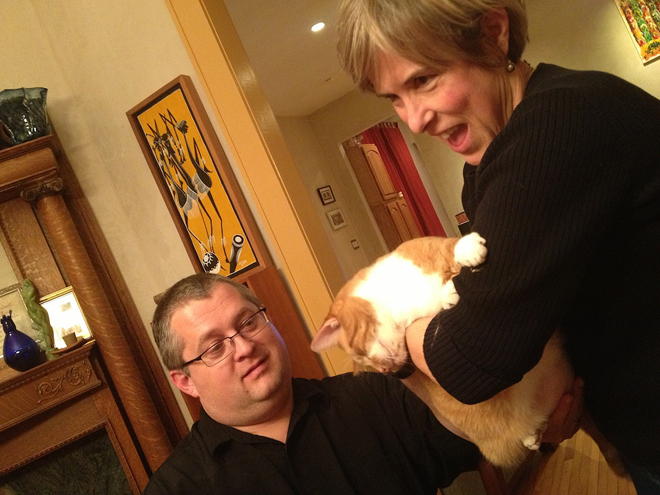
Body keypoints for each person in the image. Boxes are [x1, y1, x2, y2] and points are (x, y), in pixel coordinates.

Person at [336, 0, 660, 493]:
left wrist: (397, 340)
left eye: (424, 80)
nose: (414, 120)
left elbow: (469, 360)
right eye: (394, 98)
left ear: (493, 34)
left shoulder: (560, 122)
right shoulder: (485, 171)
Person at [144, 273, 484, 494]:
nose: (245, 348)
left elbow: (478, 434)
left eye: (248, 322)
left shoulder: (372, 395)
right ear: (185, 382)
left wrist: (416, 350)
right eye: (215, 347)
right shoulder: (176, 488)